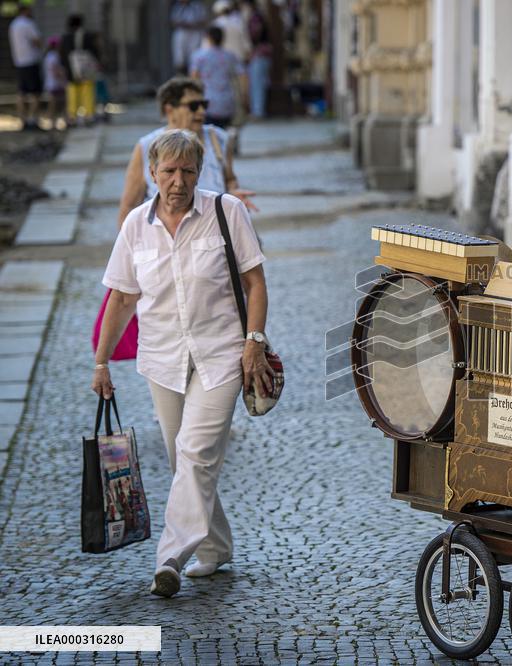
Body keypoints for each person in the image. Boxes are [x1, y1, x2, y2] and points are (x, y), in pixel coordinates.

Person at [93, 129, 272, 598]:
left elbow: (255, 283)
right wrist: (101, 362)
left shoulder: (225, 211)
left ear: (198, 173)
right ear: (152, 173)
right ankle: (216, 548)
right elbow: (122, 297)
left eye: (187, 170)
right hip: (163, 359)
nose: (178, 180)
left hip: (222, 354)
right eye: (168, 171)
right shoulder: (136, 225)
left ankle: (169, 558)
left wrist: (253, 340)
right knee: (183, 459)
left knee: (196, 452)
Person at [116, 76, 257, 228]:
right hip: (164, 235)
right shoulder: (146, 146)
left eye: (204, 104)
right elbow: (129, 205)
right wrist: (129, 244)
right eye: (194, 106)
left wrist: (233, 194)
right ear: (170, 110)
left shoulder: (219, 138)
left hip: (213, 232)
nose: (202, 111)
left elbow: (229, 178)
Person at [190, 26, 247, 130]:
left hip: (207, 102)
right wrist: (244, 96)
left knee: (208, 134)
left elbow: (194, 78)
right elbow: (242, 76)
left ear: (208, 38)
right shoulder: (230, 56)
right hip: (227, 102)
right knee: (224, 133)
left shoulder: (199, 56)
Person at [59, 14, 100, 124]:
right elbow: (94, 51)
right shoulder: (86, 36)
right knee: (87, 91)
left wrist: (64, 68)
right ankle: (89, 115)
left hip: (70, 70)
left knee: (72, 93)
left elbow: (62, 55)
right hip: (86, 69)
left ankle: (72, 116)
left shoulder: (65, 37)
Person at [8, 3, 43, 130]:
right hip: (30, 61)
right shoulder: (28, 24)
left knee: (21, 93)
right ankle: (32, 119)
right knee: (35, 93)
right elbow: (37, 41)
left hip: (19, 61)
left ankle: (22, 120)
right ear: (26, 10)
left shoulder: (13, 25)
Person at [244, 0, 271, 118]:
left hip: (259, 53)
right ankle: (257, 111)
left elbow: (255, 34)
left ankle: (258, 112)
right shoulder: (259, 16)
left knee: (257, 84)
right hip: (262, 53)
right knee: (258, 83)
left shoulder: (255, 17)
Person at [171, 0, 209, 74]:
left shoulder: (197, 6)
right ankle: (181, 73)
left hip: (194, 33)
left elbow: (203, 20)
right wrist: (183, 24)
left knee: (194, 56)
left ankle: (193, 73)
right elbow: (173, 21)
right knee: (180, 58)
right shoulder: (177, 7)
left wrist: (193, 25)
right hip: (182, 33)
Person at [42, 36, 67, 129]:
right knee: (57, 103)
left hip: (51, 82)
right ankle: (59, 120)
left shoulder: (48, 56)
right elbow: (55, 70)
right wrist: (62, 78)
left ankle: (53, 121)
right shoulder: (54, 56)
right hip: (56, 83)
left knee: (54, 103)